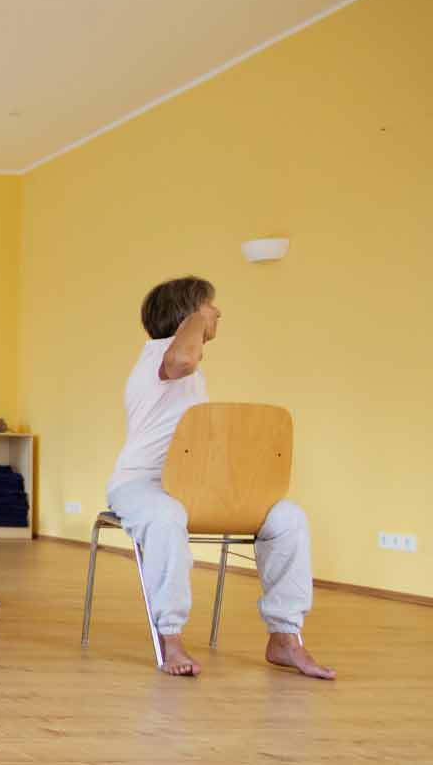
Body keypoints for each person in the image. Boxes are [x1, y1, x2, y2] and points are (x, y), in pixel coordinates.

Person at [107, 276, 333, 679]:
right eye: (210, 306)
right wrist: (195, 318)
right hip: (141, 484)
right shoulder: (161, 356)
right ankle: (170, 635)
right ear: (189, 315)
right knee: (165, 517)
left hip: (193, 486)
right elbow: (182, 359)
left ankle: (285, 637)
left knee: (289, 518)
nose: (218, 313)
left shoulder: (189, 367)